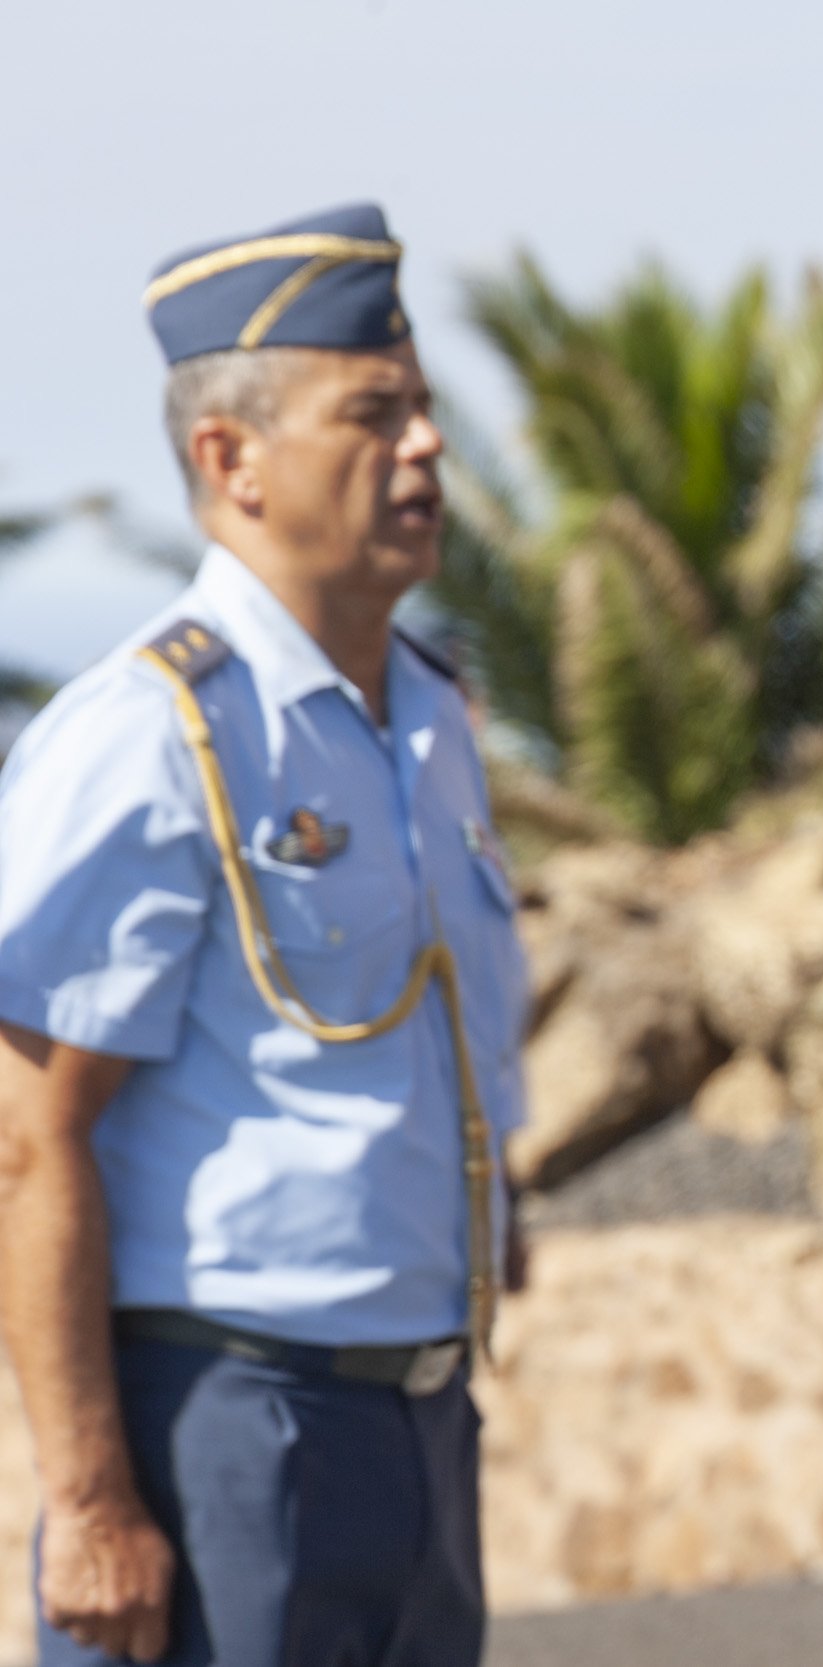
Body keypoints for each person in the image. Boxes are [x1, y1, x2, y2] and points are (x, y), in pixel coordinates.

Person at [0, 204, 530, 1667]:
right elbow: (30, 1135)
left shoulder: (426, 714)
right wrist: (91, 1495)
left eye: (421, 409)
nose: (425, 446)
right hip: (225, 1417)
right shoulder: (149, 733)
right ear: (229, 462)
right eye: (373, 414)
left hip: (421, 1419)